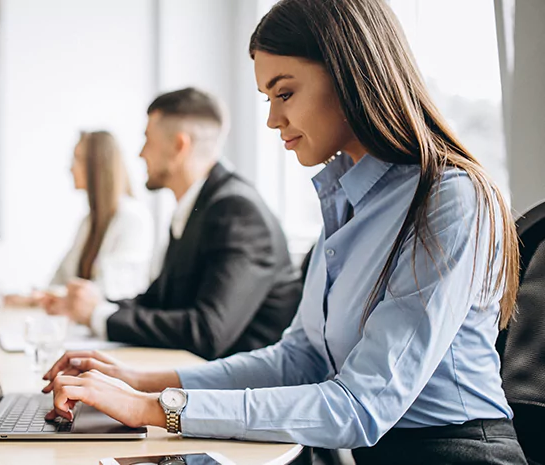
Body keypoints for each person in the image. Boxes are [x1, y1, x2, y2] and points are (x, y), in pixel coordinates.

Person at [39, 1, 527, 463]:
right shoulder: (349, 200)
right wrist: (140, 381)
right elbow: (300, 358)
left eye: (285, 92)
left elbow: (358, 406)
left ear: (350, 76)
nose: (273, 119)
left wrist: (155, 408)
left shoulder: (449, 198)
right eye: (268, 98)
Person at [43, 88, 301, 360]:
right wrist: (95, 304)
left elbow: (207, 331)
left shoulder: (238, 212)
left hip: (243, 390)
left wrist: (98, 315)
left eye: (148, 140)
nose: (141, 154)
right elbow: (158, 301)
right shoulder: (197, 207)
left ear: (179, 146)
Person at [5, 131, 154, 306]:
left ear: (97, 165)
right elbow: (61, 278)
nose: (70, 168)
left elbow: (111, 289)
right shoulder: (89, 222)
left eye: (78, 159)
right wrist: (36, 296)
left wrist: (44, 297)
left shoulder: (133, 218)